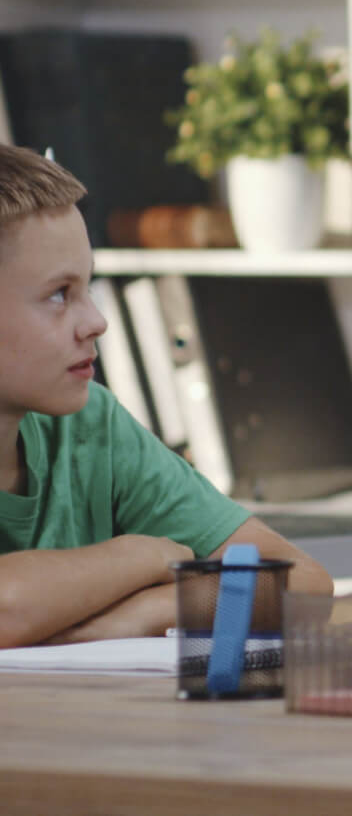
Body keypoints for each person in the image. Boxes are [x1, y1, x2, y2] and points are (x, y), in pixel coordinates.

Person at [0, 145, 332, 648]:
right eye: (57, 295)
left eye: (87, 288)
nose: (96, 321)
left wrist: (150, 612)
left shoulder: (92, 425)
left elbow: (300, 584)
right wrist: (140, 556)